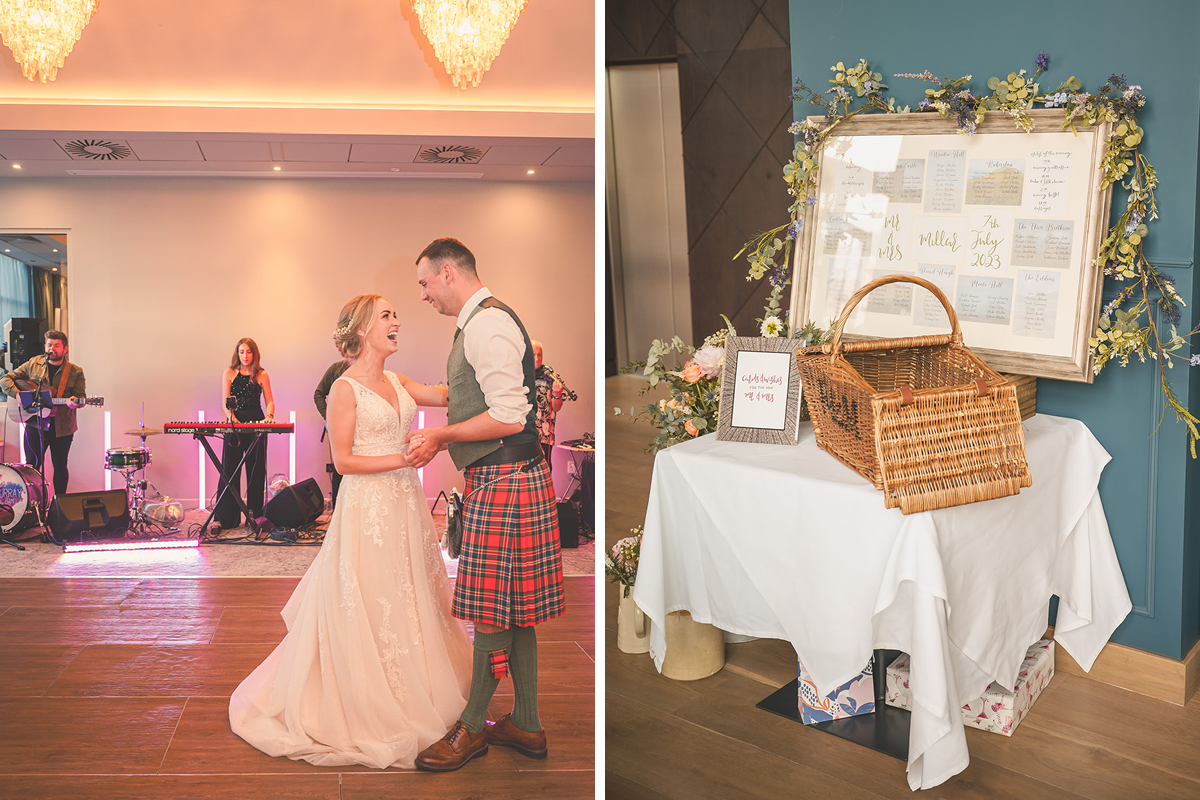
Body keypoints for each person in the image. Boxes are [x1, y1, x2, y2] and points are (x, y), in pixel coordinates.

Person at [229, 294, 472, 769]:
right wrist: (405, 458)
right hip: (369, 508)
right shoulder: (344, 388)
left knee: (412, 593)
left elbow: (447, 395)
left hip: (405, 504)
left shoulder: (398, 381)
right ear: (361, 330)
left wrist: (483, 367)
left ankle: (419, 689)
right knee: (373, 596)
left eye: (395, 314)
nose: (397, 321)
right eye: (387, 315)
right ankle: (372, 703)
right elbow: (343, 462)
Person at [408, 237, 565, 772]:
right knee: (515, 611)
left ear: (449, 273)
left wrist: (440, 436)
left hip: (506, 481)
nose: (424, 295)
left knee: (491, 611)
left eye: (426, 283)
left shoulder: (487, 325)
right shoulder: (478, 324)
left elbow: (509, 415)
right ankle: (527, 722)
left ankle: (472, 728)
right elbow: (479, 395)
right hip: (509, 479)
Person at [0, 330, 87, 496]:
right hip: (35, 424)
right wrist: (18, 394)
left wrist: (75, 402)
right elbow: (5, 379)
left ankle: (59, 506)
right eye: (49, 344)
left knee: (60, 465)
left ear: (65, 349)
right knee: (31, 467)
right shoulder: (34, 363)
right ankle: (33, 507)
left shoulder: (75, 371)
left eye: (56, 345)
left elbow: (81, 397)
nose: (52, 348)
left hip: (62, 428)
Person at [214, 338, 275, 529]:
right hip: (234, 424)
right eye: (241, 352)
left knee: (256, 471)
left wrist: (270, 416)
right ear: (237, 353)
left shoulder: (262, 374)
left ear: (254, 354)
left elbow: (270, 401)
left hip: (256, 424)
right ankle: (226, 518)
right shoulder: (229, 372)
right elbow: (225, 402)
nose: (245, 355)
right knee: (229, 470)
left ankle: (255, 515)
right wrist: (232, 418)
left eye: (248, 352)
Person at [531, 339, 574, 475]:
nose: (537, 359)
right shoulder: (519, 375)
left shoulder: (551, 377)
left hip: (545, 434)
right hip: (525, 432)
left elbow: (557, 408)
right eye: (533, 355)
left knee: (545, 469)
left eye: (540, 355)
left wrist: (557, 394)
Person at [313, 359, 350, 509]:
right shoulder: (337, 369)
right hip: (341, 426)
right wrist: (329, 416)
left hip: (363, 426)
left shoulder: (368, 369)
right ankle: (338, 512)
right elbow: (318, 394)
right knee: (341, 468)